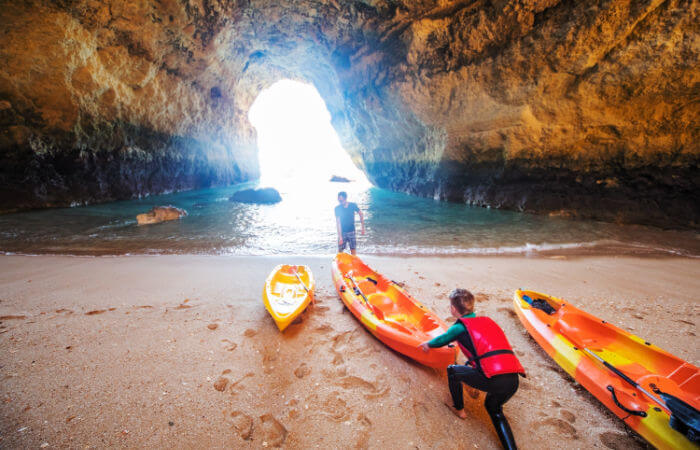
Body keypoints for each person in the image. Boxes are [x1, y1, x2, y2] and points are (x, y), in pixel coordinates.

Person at [419, 289, 525, 450]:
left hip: (493, 378)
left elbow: (442, 340)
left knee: (453, 371)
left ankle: (459, 409)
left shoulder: (459, 327)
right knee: (494, 409)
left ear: (453, 309)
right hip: (512, 380)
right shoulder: (487, 321)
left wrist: (427, 345)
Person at [334, 191, 365, 255]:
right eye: (339, 200)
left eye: (341, 200)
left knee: (353, 250)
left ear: (345, 198)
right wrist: (340, 237)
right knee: (340, 251)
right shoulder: (337, 208)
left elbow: (361, 214)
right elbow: (338, 223)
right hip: (342, 232)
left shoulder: (352, 205)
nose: (340, 202)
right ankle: (340, 264)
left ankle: (353, 264)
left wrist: (362, 228)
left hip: (352, 231)